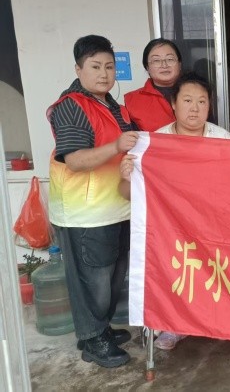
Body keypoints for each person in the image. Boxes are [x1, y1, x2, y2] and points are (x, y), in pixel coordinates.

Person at [119, 71, 230, 350]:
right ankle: (173, 326)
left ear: (209, 106)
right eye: (187, 100)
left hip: (214, 227)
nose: (195, 108)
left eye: (202, 102)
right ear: (173, 103)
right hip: (172, 229)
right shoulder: (153, 144)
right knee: (171, 269)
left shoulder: (224, 140)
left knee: (220, 270)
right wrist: (126, 177)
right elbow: (126, 194)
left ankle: (220, 320)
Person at [47, 35, 139, 368]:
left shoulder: (114, 107)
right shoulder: (71, 106)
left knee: (113, 275)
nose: (104, 74)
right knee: (94, 279)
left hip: (116, 206)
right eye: (95, 66)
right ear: (78, 69)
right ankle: (93, 340)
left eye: (109, 67)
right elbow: (74, 160)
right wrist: (116, 147)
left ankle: (97, 329)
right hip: (85, 212)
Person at [124, 38, 182, 131]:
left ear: (179, 64)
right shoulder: (132, 100)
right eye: (156, 60)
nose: (164, 65)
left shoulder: (198, 93)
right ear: (147, 67)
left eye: (170, 59)